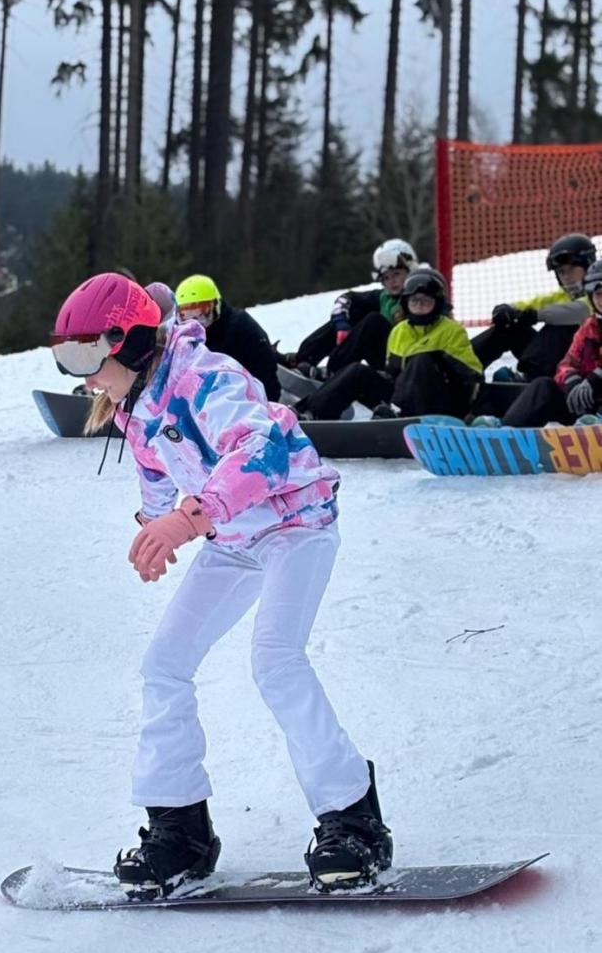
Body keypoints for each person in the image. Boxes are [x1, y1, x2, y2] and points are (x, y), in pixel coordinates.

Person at [50, 271, 392, 898]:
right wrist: (154, 525)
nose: (83, 377)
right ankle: (180, 831)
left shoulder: (208, 379)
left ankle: (354, 821)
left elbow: (259, 450)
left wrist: (187, 519)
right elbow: (156, 472)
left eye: (86, 356)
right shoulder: (140, 405)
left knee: (276, 661)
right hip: (233, 540)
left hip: (294, 523)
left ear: (124, 342)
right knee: (164, 665)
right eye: (66, 358)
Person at [295, 267, 482, 421]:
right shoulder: (400, 331)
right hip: (402, 400)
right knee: (358, 372)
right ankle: (311, 413)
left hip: (438, 403)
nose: (419, 306)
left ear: (438, 304)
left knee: (421, 360)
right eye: (414, 301)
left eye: (426, 302)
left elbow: (472, 376)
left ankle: (396, 413)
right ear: (406, 303)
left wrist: (440, 361)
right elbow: (393, 375)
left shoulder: (452, 330)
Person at [277, 239, 419, 381]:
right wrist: (342, 324)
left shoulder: (420, 297)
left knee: (373, 321)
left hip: (403, 367)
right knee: (353, 312)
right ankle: (302, 358)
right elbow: (345, 300)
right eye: (386, 277)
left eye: (396, 274)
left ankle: (334, 371)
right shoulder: (383, 297)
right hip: (385, 356)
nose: (392, 281)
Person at [470, 232, 595, 380]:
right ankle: (463, 366)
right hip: (556, 362)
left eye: (572, 269)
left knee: (561, 324)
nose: (567, 277)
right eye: (561, 272)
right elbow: (531, 305)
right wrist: (509, 310)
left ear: (589, 266)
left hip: (586, 367)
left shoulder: (597, 293)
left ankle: (528, 377)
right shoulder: (561, 296)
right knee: (511, 326)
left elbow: (580, 311)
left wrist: (536, 315)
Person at [498, 259, 602, 427]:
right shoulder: (588, 328)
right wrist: (571, 381)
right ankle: (505, 436)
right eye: (598, 294)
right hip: (584, 404)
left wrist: (596, 378)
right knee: (543, 386)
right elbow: (567, 364)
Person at [174, 273, 282, 401]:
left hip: (243, 401)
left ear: (216, 306)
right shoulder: (180, 337)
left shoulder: (240, 327)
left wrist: (263, 408)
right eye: (186, 316)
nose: (196, 324)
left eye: (202, 314)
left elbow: (265, 371)